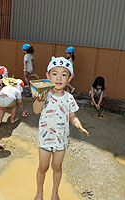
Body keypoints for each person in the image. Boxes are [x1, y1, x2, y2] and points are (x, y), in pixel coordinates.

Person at [33, 57, 89, 200]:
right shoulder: (45, 94)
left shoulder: (69, 98)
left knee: (57, 167)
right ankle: (39, 192)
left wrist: (78, 125)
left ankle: (54, 192)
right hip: (45, 139)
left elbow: (72, 116)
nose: (59, 77)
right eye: (54, 73)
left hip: (61, 140)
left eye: (64, 74)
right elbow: (36, 111)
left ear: (69, 78)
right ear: (47, 76)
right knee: (43, 167)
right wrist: (40, 99)